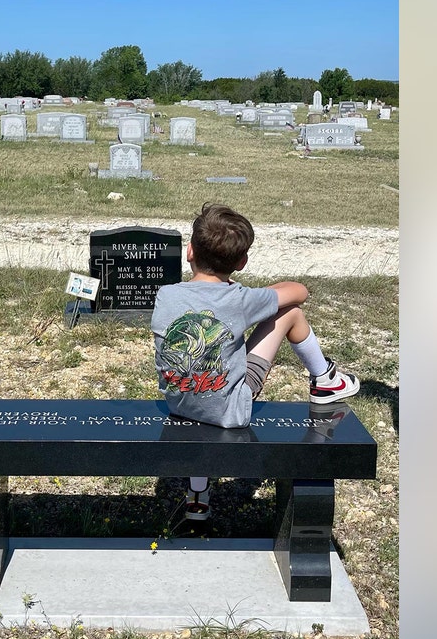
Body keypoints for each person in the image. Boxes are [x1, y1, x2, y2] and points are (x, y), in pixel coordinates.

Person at [151, 202, 360, 521]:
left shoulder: (166, 295)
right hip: (231, 409)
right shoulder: (240, 299)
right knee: (290, 312)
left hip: (179, 401)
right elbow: (299, 292)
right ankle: (326, 380)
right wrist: (257, 294)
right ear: (242, 261)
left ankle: (197, 491)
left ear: (189, 251)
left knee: (204, 381)